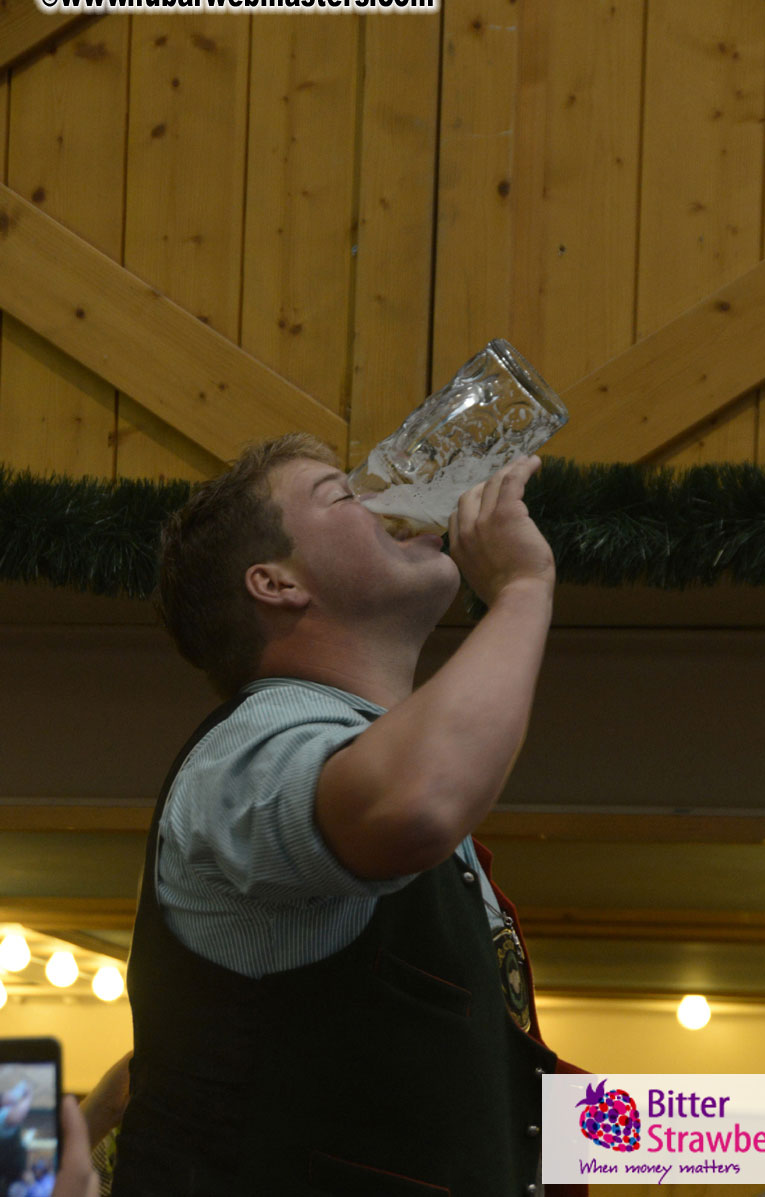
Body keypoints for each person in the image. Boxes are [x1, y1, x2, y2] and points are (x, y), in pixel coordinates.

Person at [110, 433, 584, 1196]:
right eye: (345, 494)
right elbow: (417, 803)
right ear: (275, 581)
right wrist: (524, 588)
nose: (392, 503)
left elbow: (492, 1105)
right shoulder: (250, 743)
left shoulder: (366, 756)